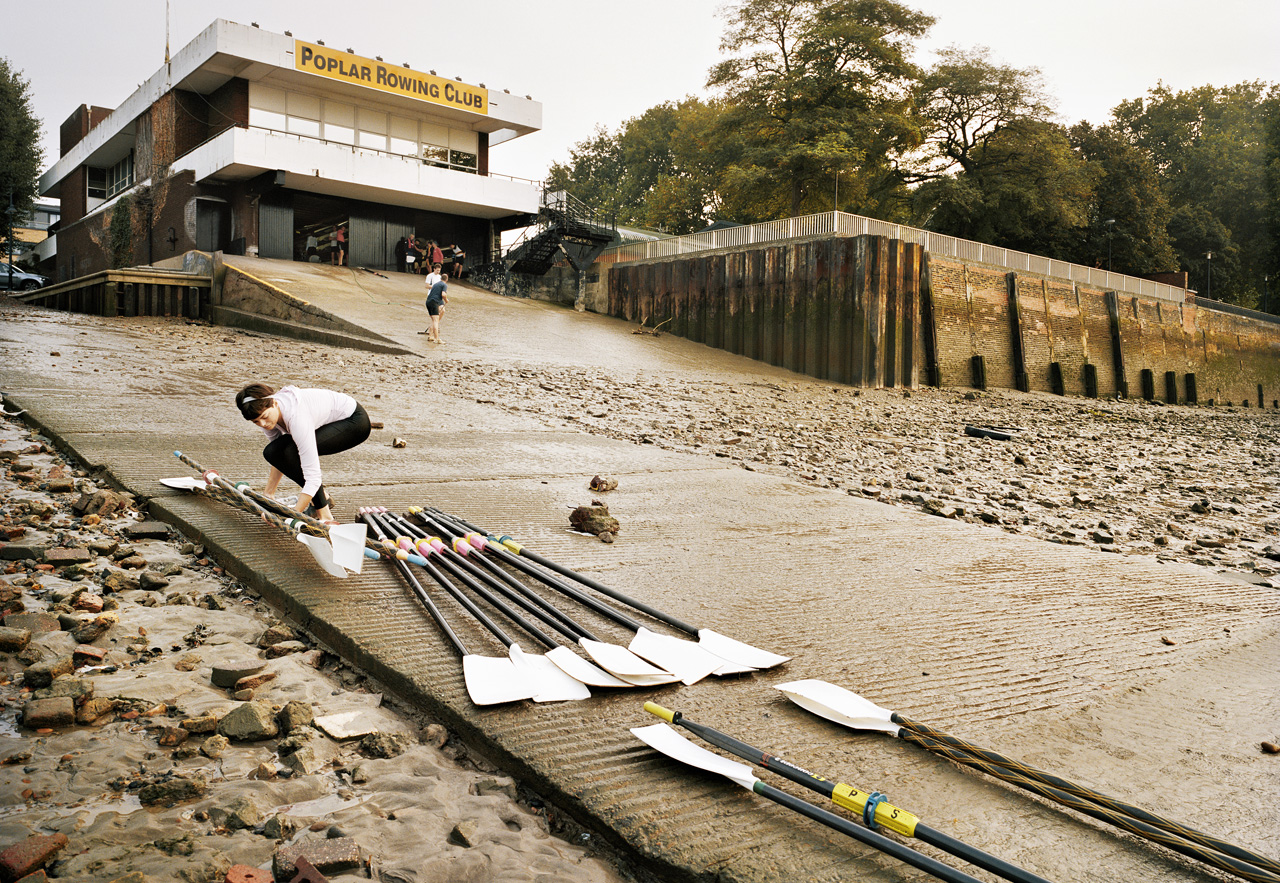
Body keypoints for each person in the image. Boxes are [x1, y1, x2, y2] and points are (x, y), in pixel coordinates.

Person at [235, 383, 371, 524]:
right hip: (330, 421)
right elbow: (279, 456)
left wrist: (292, 515)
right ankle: (323, 498)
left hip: (354, 422)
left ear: (274, 403)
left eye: (264, 417)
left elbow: (313, 476)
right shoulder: (267, 416)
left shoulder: (297, 418)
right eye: (256, 421)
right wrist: (268, 495)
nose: (263, 424)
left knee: (296, 455)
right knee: (273, 451)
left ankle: (325, 515)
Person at [424, 273, 449, 343]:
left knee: (433, 320)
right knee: (436, 320)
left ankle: (430, 336)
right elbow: (443, 294)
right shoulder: (444, 285)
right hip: (434, 302)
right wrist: (446, 300)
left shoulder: (435, 284)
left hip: (428, 302)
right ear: (446, 279)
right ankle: (437, 339)